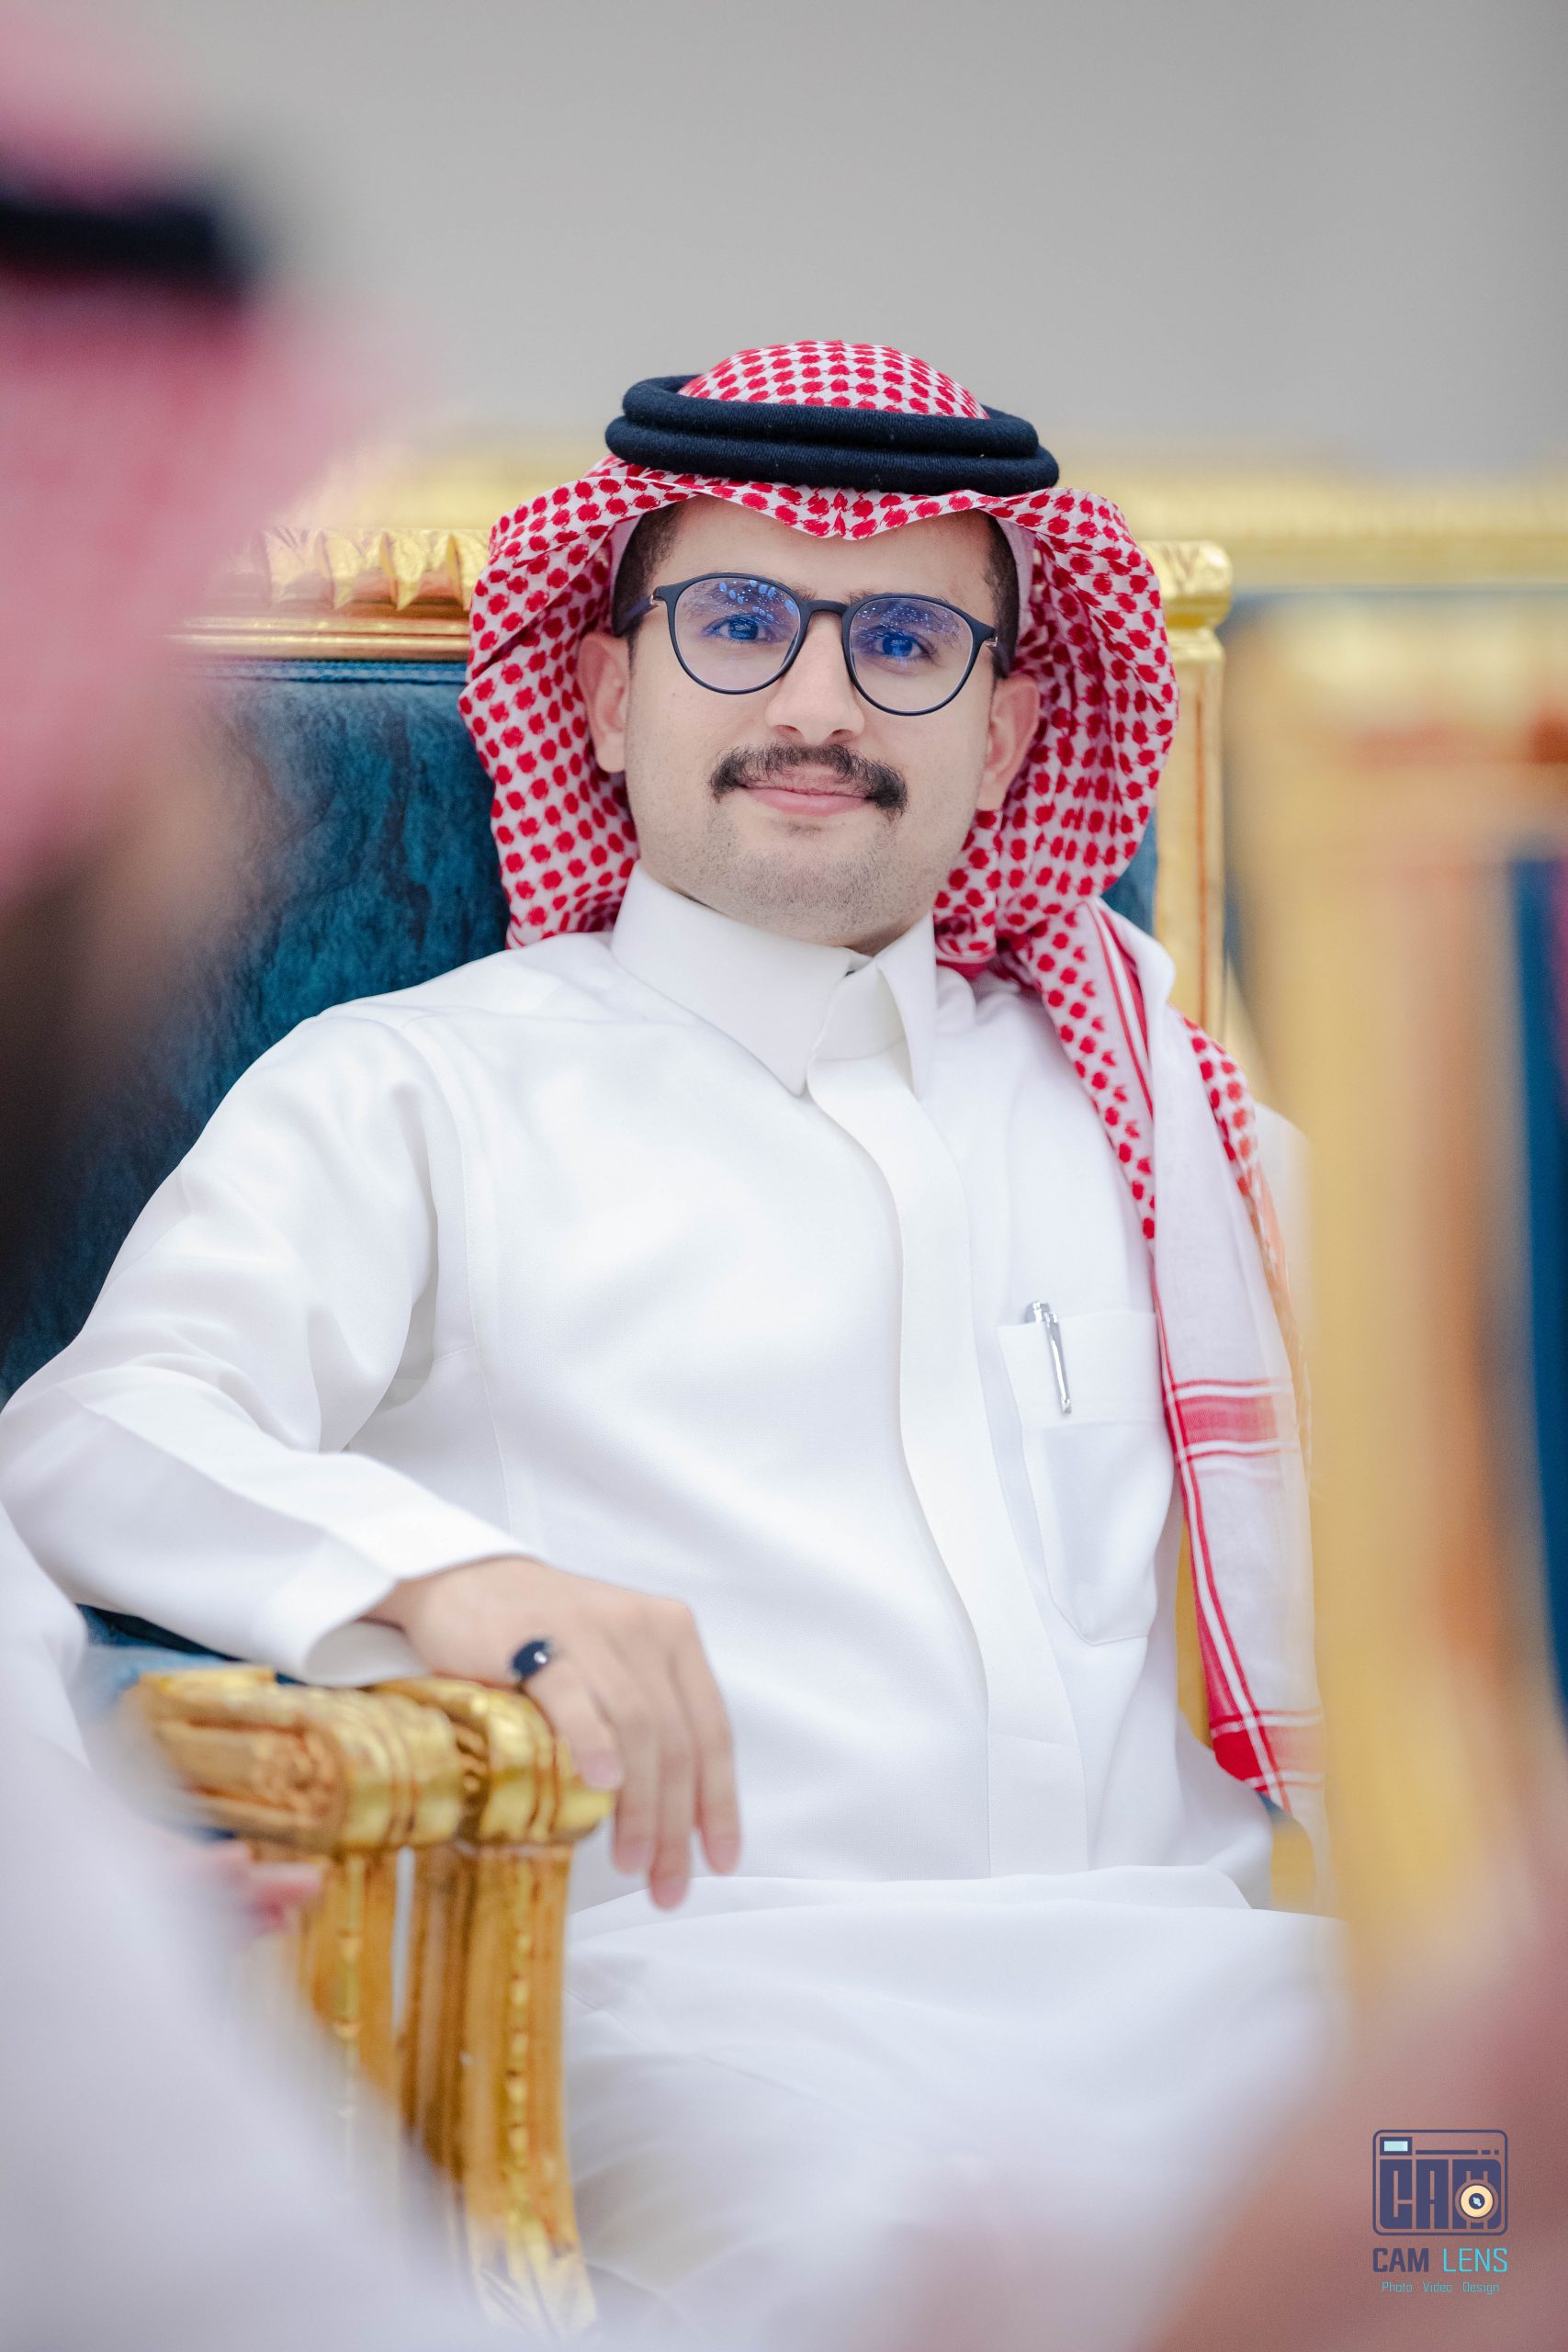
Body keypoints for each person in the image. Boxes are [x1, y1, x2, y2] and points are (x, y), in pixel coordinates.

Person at [0, 339, 1346, 2350]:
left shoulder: (1163, 1107)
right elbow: (99, 1430)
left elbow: (1443, 1448)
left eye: (904, 642)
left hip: (1234, 1993)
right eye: (735, 624)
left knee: (1473, 2216)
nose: (816, 702)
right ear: (604, 693)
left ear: (1008, 731)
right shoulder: (421, 1089)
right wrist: (448, 1577)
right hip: (716, 2023)